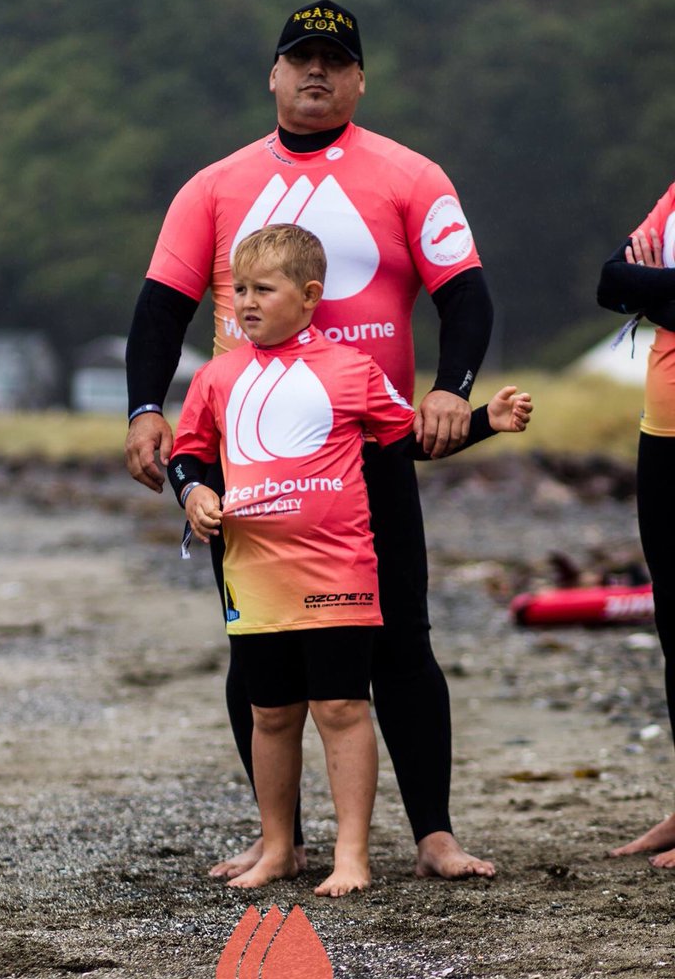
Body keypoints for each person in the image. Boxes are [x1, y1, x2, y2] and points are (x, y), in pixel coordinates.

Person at [125, 0, 496, 880]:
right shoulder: (213, 187)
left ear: (361, 79)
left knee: (401, 637)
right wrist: (146, 409)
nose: (316, 74)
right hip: (249, 456)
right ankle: (278, 838)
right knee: (259, 644)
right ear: (275, 75)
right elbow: (159, 310)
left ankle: (433, 834)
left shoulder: (411, 176)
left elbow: (468, 297)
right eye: (300, 60)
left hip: (364, 447)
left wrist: (452, 391)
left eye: (334, 61)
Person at [168, 224, 531, 895]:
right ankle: (278, 847)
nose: (245, 302)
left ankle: (352, 854)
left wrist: (485, 420)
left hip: (337, 568)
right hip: (255, 571)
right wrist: (194, 495)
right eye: (238, 289)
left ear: (309, 296)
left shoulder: (350, 370)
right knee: (270, 713)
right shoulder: (217, 377)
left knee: (341, 707)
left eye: (263, 289)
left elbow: (410, 441)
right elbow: (188, 453)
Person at [598, 183, 675, 869]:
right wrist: (654, 288)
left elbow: (642, 286)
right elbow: (611, 281)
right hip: (663, 435)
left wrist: (656, 285)